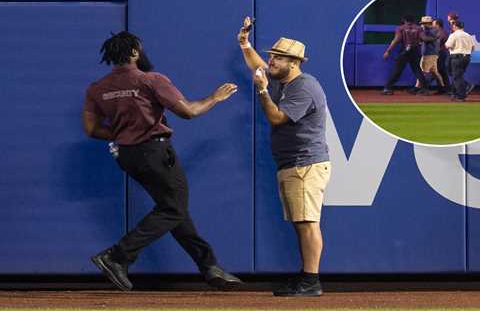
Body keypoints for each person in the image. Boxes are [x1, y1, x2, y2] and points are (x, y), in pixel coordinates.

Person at [82, 31, 242, 291]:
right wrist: (215, 98)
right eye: (140, 49)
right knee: (173, 209)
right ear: (134, 52)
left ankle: (210, 267)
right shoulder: (151, 80)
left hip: (126, 156)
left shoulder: (97, 88)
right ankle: (116, 257)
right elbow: (189, 112)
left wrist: (124, 132)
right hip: (154, 153)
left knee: (172, 208)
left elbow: (91, 129)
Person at [238, 17, 331, 297]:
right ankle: (306, 275)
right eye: (272, 56)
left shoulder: (304, 86)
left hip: (306, 164)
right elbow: (257, 67)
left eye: (278, 58)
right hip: (293, 163)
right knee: (301, 222)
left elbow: (277, 118)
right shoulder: (283, 80)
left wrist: (263, 91)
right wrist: (244, 43)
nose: (271, 61)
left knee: (307, 223)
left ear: (295, 62)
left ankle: (311, 281)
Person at [382, 15, 432, 96]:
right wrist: (434, 38)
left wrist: (388, 51)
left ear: (404, 20)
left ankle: (387, 88)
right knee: (417, 70)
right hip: (415, 51)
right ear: (413, 20)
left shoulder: (401, 28)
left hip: (405, 50)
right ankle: (425, 89)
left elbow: (396, 40)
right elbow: (424, 38)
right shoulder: (418, 28)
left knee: (397, 70)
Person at [445, 21, 475, 101]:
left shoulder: (454, 35)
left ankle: (461, 96)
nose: (452, 27)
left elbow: (447, 46)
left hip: (456, 57)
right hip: (467, 57)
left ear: (455, 26)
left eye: (453, 25)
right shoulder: (468, 35)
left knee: (457, 77)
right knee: (458, 76)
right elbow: (473, 48)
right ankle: (455, 94)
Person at [414, 16, 445, 92]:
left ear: (428, 23)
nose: (422, 25)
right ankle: (442, 87)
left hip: (429, 54)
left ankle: (421, 88)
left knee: (423, 72)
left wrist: (422, 33)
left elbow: (425, 39)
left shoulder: (433, 30)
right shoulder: (430, 30)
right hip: (431, 53)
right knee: (435, 72)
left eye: (423, 23)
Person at [432, 18, 451, 93]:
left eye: (433, 24)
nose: (432, 25)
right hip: (439, 54)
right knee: (441, 72)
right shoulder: (439, 32)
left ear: (437, 24)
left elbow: (437, 44)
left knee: (437, 71)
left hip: (440, 54)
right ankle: (443, 89)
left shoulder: (441, 32)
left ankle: (424, 87)